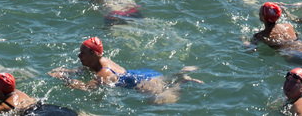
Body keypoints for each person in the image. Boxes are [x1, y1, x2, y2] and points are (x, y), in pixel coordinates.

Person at [50, 36, 197, 104]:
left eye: (82, 53)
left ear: (93, 54)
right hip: (143, 73)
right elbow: (83, 69)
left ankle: (182, 81)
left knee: (160, 102)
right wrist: (68, 71)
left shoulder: (104, 72)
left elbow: (87, 88)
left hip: (142, 82)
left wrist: (64, 78)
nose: (79, 55)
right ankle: (179, 74)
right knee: (164, 82)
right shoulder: (99, 60)